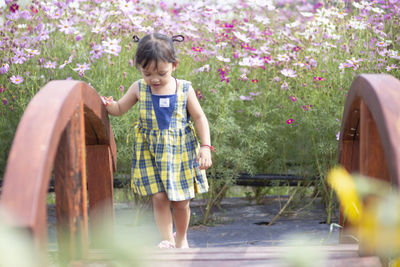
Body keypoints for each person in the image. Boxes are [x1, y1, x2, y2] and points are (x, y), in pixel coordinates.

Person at [101, 33, 214, 249]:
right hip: (150, 152)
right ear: (139, 68)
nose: (154, 79)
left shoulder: (184, 88)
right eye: (147, 73)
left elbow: (200, 118)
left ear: (174, 65)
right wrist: (107, 104)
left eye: (161, 73)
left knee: (181, 202)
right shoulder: (138, 88)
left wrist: (206, 147)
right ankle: (167, 239)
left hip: (180, 151)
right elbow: (119, 109)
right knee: (159, 197)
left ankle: (181, 238)